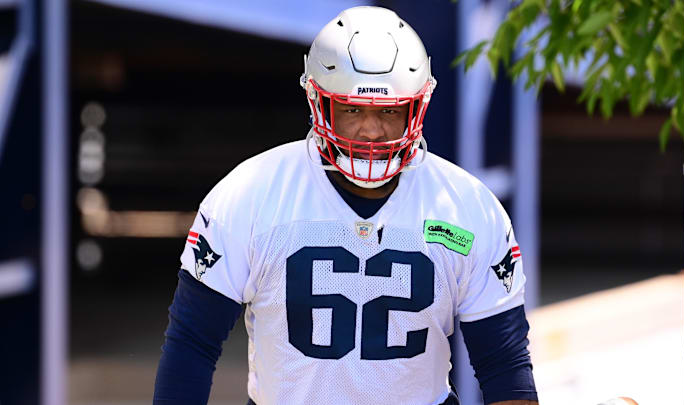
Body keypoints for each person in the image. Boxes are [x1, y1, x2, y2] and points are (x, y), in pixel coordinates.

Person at [154, 6, 538, 405]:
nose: (371, 130)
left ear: (416, 107)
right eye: (352, 108)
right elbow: (192, 345)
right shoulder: (250, 193)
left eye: (389, 111)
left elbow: (504, 366)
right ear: (319, 102)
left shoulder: (468, 208)